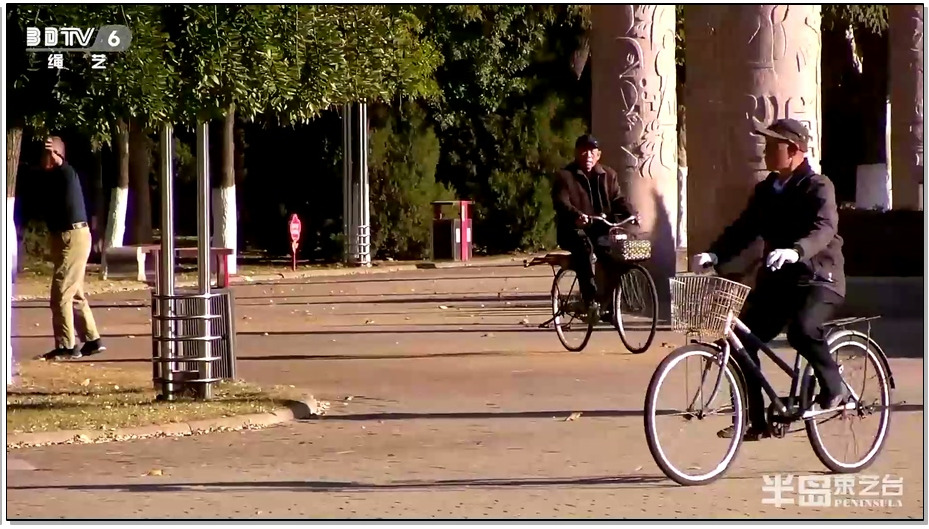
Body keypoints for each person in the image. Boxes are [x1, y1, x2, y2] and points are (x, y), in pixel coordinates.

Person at [691, 118, 848, 441]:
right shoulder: (767, 190)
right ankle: (756, 420)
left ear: (794, 150)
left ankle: (835, 388)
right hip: (779, 282)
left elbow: (824, 229)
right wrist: (715, 254)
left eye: (771, 146)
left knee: (803, 331)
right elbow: (744, 229)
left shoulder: (818, 186)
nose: (765, 152)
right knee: (740, 342)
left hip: (819, 279)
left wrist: (796, 251)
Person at [552, 134, 637, 324]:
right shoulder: (565, 176)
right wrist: (576, 216)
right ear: (576, 153)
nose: (588, 154)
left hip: (600, 228)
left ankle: (607, 304)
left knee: (614, 256)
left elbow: (618, 200)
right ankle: (589, 300)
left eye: (592, 151)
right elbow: (561, 202)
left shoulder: (609, 175)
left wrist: (632, 213)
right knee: (584, 249)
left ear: (598, 154)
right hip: (572, 229)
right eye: (583, 150)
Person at [41, 136, 106, 360]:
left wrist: (55, 155)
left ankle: (66, 347)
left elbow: (59, 163)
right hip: (68, 236)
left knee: (61, 292)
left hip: (73, 236)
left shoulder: (65, 172)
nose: (45, 159)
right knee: (74, 292)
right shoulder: (53, 177)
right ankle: (92, 340)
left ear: (58, 155)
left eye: (49, 155)